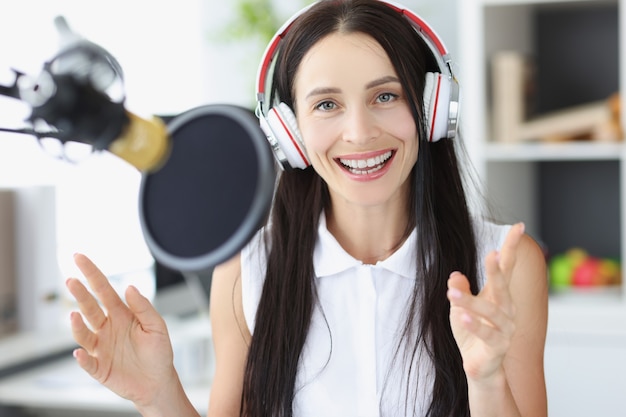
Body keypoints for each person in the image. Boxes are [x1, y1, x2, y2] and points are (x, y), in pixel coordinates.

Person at [65, 0, 549, 416]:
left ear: (431, 107)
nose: (359, 132)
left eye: (386, 95)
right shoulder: (246, 270)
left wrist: (486, 382)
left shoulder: (505, 265)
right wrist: (158, 396)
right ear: (288, 133)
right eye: (326, 105)